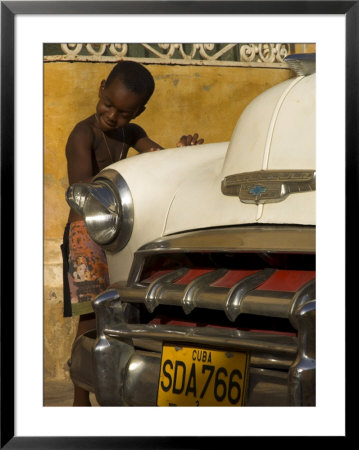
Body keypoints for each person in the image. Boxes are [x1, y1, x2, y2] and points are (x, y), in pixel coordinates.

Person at [62, 60, 204, 406]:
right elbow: (82, 188)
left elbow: (155, 157)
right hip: (87, 232)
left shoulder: (132, 132)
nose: (112, 116)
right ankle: (81, 397)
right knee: (91, 317)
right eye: (108, 105)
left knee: (118, 310)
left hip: (118, 233)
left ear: (139, 110)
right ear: (101, 90)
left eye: (124, 113)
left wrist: (180, 153)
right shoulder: (84, 134)